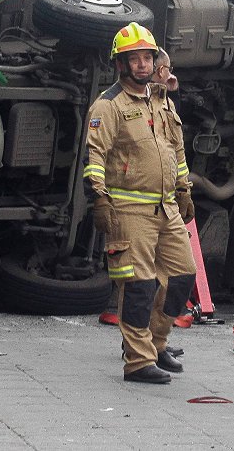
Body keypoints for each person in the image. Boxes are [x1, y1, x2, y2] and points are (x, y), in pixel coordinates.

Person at [84, 22, 197, 384]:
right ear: (120, 64)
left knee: (181, 278)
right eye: (134, 59)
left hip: (167, 207)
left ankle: (156, 344)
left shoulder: (161, 99)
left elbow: (175, 150)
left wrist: (184, 189)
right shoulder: (108, 105)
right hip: (129, 211)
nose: (143, 65)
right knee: (138, 286)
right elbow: (95, 155)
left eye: (147, 57)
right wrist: (99, 198)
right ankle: (137, 362)